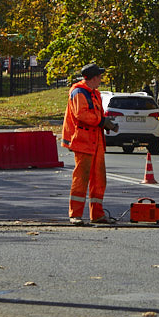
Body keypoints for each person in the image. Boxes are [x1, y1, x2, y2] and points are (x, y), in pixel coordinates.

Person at [62, 63, 118, 225]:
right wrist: (103, 122)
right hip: (83, 141)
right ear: (93, 78)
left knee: (99, 179)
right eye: (99, 77)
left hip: (96, 141)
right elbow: (81, 115)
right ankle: (75, 215)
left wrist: (107, 124)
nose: (101, 79)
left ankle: (97, 214)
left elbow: (96, 116)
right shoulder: (79, 92)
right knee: (81, 178)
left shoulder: (94, 93)